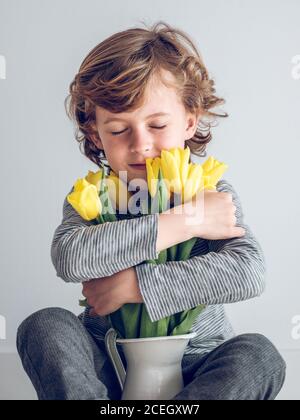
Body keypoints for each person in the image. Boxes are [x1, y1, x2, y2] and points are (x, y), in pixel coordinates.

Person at [16, 21, 286, 400]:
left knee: (260, 356)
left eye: (157, 124)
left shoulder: (210, 193)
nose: (141, 145)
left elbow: (248, 272)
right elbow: (70, 258)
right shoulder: (95, 195)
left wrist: (132, 287)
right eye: (117, 130)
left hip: (197, 363)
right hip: (108, 360)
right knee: (43, 325)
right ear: (95, 133)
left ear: (190, 120)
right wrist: (183, 222)